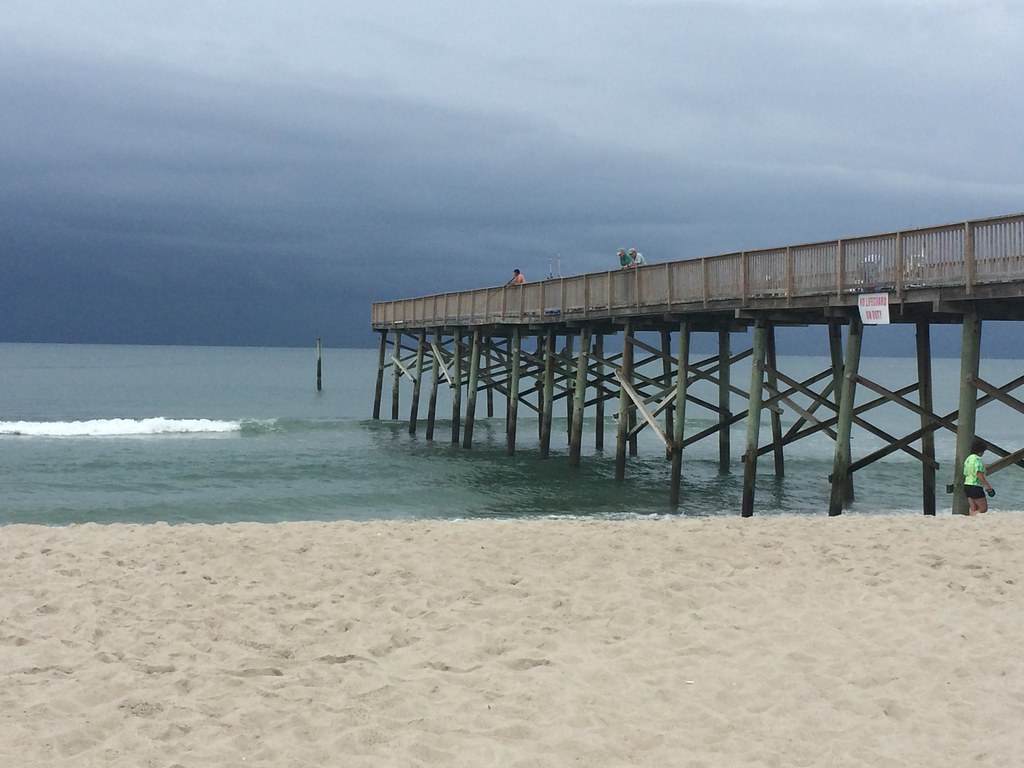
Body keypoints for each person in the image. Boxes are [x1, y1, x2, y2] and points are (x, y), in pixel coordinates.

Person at [963, 438, 995, 516]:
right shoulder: (977, 459)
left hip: (967, 485)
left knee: (973, 508)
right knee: (983, 509)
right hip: (976, 486)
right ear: (981, 451)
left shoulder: (968, 459)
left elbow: (965, 472)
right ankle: (974, 517)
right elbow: (979, 473)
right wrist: (987, 486)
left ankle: (972, 520)